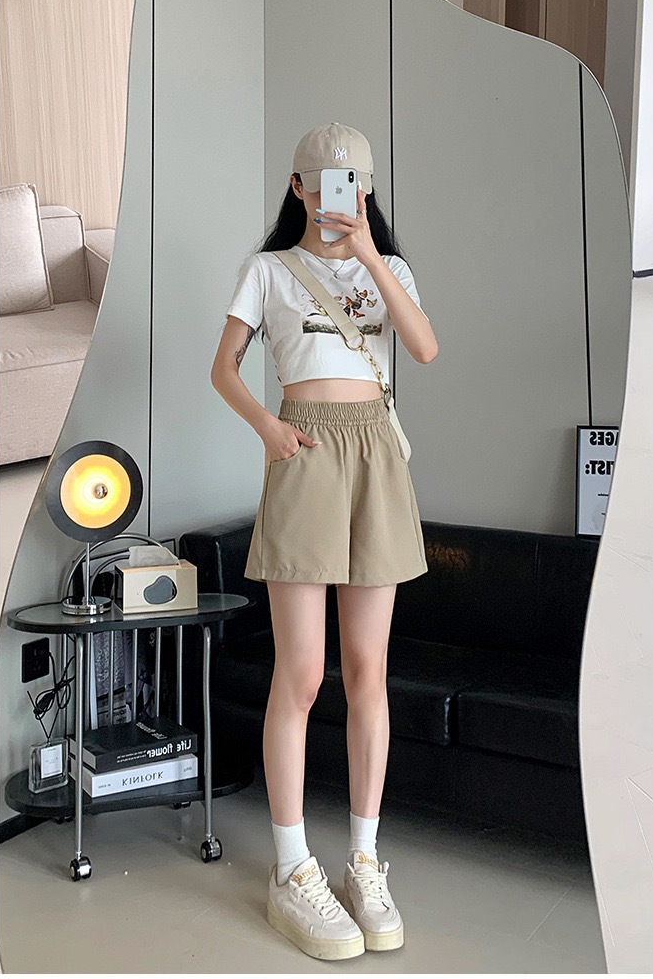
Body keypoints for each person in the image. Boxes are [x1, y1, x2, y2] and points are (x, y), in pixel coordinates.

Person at [210, 122, 438, 961]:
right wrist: (268, 426)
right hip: (304, 449)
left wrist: (370, 254)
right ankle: (292, 867)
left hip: (375, 451)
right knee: (302, 674)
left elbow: (424, 348)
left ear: (366, 191)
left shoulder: (391, 270)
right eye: (326, 182)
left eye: (356, 184)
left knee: (369, 671)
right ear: (299, 187)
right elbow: (223, 367)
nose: (342, 196)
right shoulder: (268, 270)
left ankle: (365, 862)